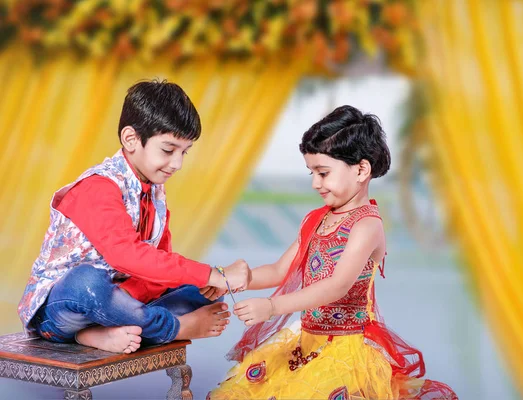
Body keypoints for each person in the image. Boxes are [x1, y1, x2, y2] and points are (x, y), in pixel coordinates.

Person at [207, 105, 457, 399]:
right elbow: (279, 271)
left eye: (323, 173)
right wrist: (230, 278)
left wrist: (272, 308)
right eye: (311, 172)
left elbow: (337, 286)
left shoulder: (367, 225)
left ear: (361, 170)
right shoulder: (317, 219)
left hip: (345, 351)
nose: (315, 183)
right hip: (304, 342)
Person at [17, 79, 250, 354]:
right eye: (168, 150)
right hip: (64, 307)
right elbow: (126, 256)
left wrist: (212, 280)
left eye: (184, 152)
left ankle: (101, 332)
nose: (177, 164)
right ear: (130, 139)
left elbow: (158, 266)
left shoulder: (154, 193)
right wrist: (212, 273)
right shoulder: (98, 186)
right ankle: (172, 328)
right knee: (87, 281)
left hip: (116, 302)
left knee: (200, 293)